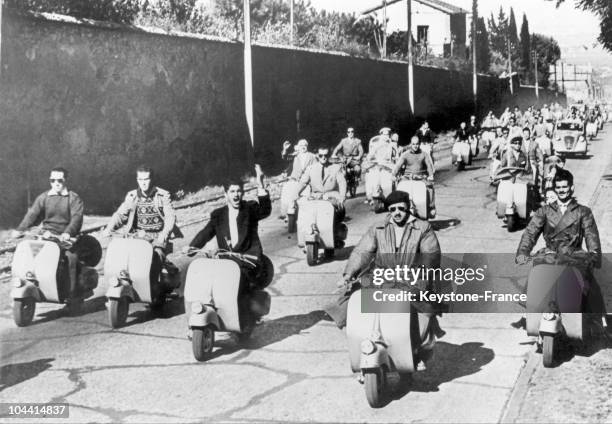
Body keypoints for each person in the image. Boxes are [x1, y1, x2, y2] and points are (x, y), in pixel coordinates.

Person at [325, 190, 444, 369]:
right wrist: (348, 275)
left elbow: (431, 255)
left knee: (422, 315)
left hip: (411, 280)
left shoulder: (423, 228)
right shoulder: (378, 228)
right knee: (344, 306)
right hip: (380, 278)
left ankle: (416, 350)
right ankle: (361, 347)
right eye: (393, 209)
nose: (397, 213)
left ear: (409, 207)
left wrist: (424, 274)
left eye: (401, 209)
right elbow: (362, 252)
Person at [515, 169, 608, 329]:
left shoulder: (583, 211)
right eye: (558, 187)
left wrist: (594, 253)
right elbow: (531, 232)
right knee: (536, 273)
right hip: (551, 253)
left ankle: (596, 319)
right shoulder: (544, 211)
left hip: (574, 254)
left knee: (589, 284)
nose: (561, 191)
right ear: (555, 188)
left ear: (571, 188)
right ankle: (530, 311)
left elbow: (591, 234)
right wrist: (523, 252)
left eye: (565, 187)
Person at [186, 164, 271, 328]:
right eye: (232, 191)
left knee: (239, 282)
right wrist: (191, 247)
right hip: (226, 261)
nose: (236, 195)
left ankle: (245, 319)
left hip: (249, 260)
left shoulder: (250, 209)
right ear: (226, 194)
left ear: (243, 193)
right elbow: (206, 232)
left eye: (239, 191)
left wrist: (261, 185)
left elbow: (266, 210)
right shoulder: (218, 215)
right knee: (206, 279)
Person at [14, 167, 95, 302]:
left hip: (66, 238)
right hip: (47, 235)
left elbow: (77, 218)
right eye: (53, 180)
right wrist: (20, 229)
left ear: (65, 180)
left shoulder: (73, 198)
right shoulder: (44, 197)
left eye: (59, 180)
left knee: (71, 258)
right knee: (29, 252)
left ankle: (72, 294)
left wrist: (68, 232)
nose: (56, 183)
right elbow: (33, 214)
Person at [102, 165, 182, 288]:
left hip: (157, 237)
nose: (143, 183)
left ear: (152, 179)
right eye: (140, 179)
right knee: (121, 255)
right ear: (137, 180)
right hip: (136, 236)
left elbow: (170, 217)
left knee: (157, 257)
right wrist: (109, 229)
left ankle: (154, 287)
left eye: (146, 179)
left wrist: (163, 235)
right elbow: (120, 215)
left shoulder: (162, 195)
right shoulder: (132, 196)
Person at [297, 147, 347, 247]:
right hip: (315, 197)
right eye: (321, 155)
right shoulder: (311, 168)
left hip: (332, 197)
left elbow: (342, 182)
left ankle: (335, 236)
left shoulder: (335, 168)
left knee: (337, 213)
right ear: (317, 156)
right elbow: (302, 182)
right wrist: (295, 194)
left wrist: (342, 196)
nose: (323, 158)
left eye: (326, 155)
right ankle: (308, 233)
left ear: (329, 156)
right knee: (306, 212)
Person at [280, 139, 316, 219]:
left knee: (307, 199)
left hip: (307, 182)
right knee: (288, 194)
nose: (303, 147)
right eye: (301, 145)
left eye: (305, 145)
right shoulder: (295, 155)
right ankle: (288, 214)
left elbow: (316, 168)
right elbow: (285, 157)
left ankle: (306, 216)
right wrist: (285, 149)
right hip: (295, 180)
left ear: (307, 146)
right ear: (298, 147)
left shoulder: (312, 156)